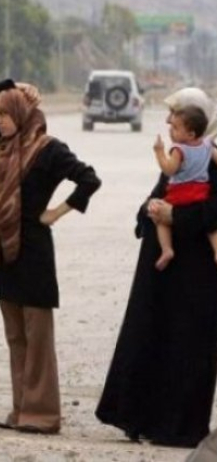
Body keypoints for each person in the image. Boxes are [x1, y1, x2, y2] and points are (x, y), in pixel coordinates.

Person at [0, 79, 100, 435]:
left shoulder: (49, 149)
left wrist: (56, 212)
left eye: (3, 113)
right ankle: (22, 409)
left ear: (21, 113)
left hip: (34, 252)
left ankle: (42, 415)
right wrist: (13, 84)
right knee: (15, 336)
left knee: (37, 337)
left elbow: (89, 179)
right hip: (3, 250)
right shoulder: (3, 145)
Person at [96, 87, 217, 448]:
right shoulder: (184, 157)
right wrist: (150, 210)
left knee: (188, 347)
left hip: (197, 273)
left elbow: (212, 211)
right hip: (164, 270)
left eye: (175, 116)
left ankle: (179, 428)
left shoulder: (210, 160)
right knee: (153, 338)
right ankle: (143, 419)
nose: (167, 123)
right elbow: (160, 191)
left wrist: (175, 215)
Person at [151, 105, 217, 270]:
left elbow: (169, 169)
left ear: (191, 132)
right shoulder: (207, 147)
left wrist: (159, 152)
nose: (168, 121)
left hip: (201, 270)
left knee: (159, 214)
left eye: (174, 117)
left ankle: (167, 250)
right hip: (201, 193)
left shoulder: (178, 152)